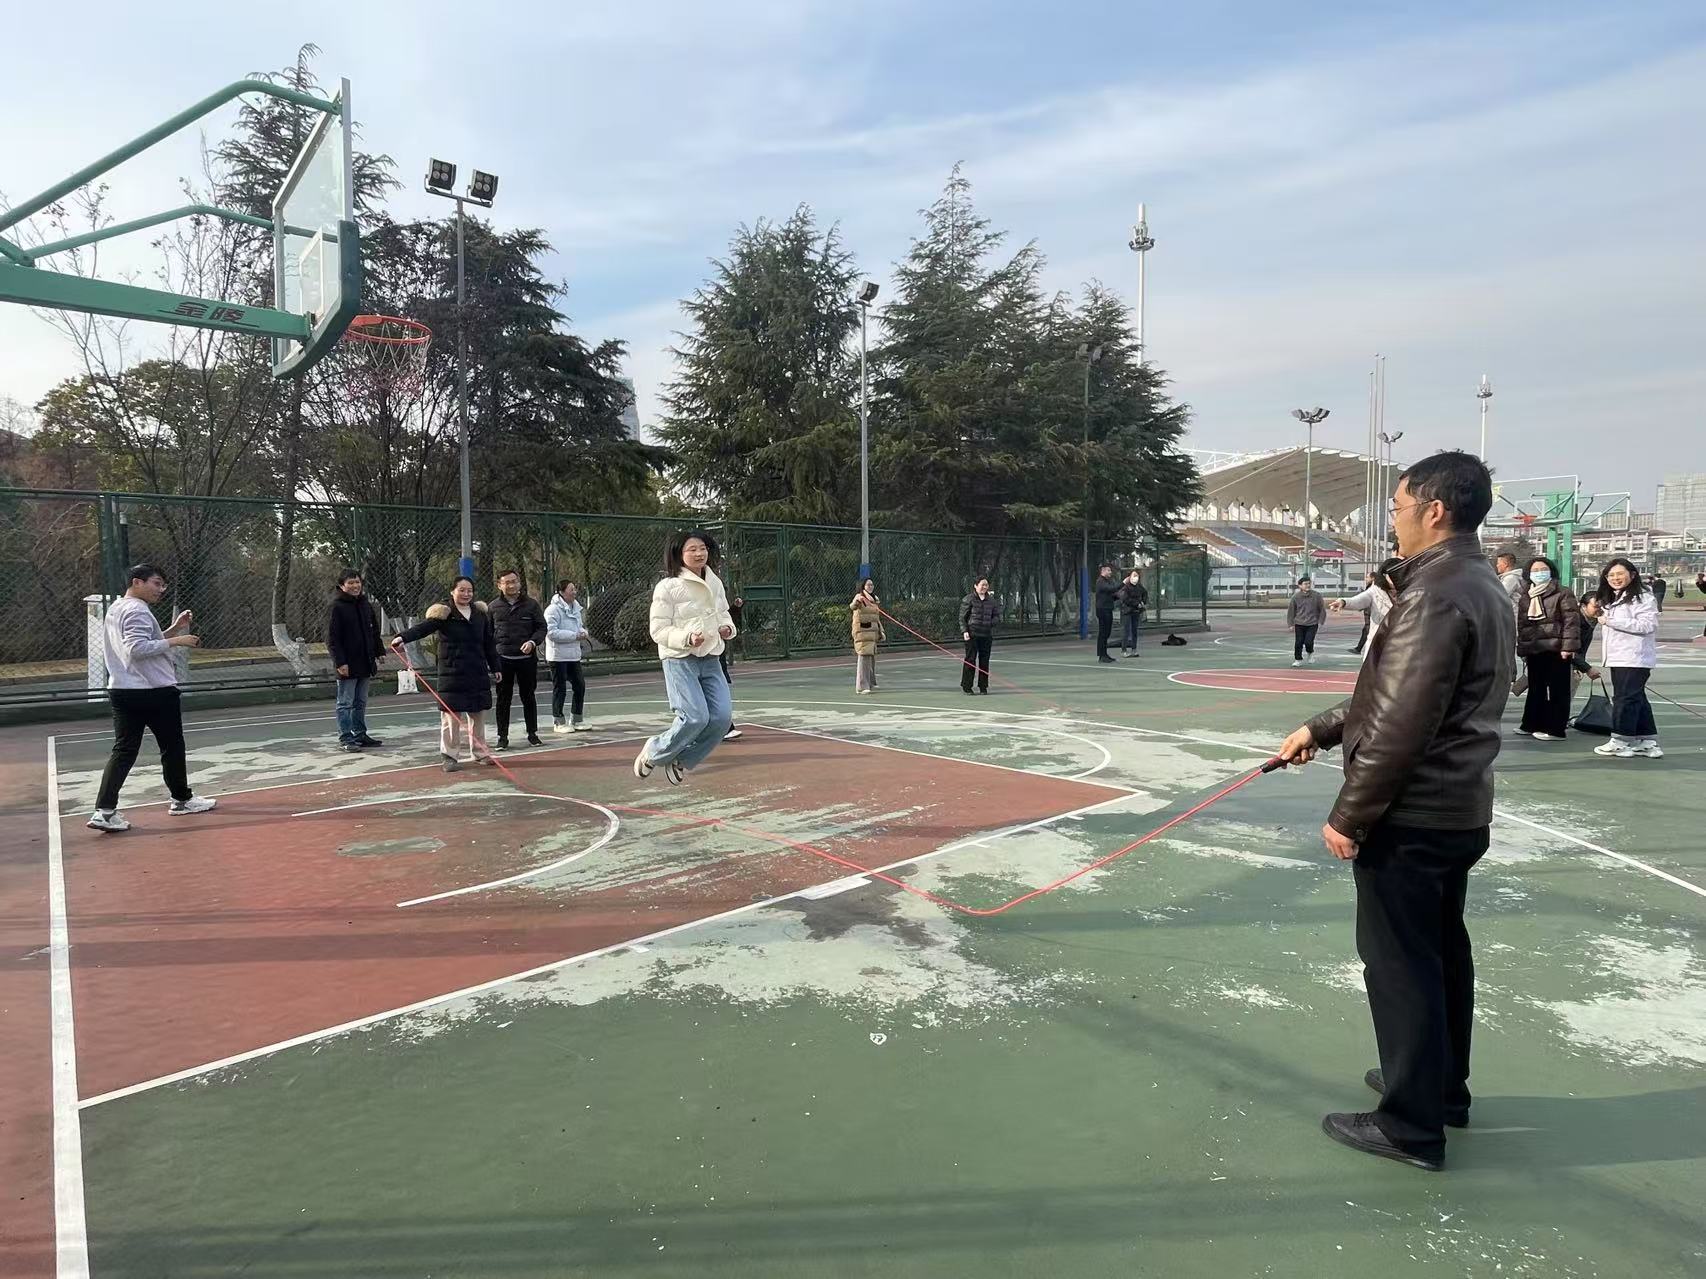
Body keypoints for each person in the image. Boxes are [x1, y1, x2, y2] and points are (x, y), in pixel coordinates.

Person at [1275, 449, 1513, 1172]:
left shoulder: (1435, 592)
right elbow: (1397, 697)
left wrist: (1350, 815)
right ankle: (1440, 1088)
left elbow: (1403, 722)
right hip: (1456, 809)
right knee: (1440, 952)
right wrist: (1321, 728)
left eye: (1400, 507)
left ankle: (1410, 1125)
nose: (1395, 519)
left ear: (1435, 510)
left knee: (1401, 963)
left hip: (1413, 815)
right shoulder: (1478, 581)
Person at [87, 564, 219, 832]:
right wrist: (178, 641)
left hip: (123, 689)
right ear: (137, 582)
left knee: (124, 750)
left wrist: (174, 629)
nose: (161, 589)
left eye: (163, 585)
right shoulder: (137, 610)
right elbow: (137, 649)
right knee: (172, 746)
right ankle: (181, 800)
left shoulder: (117, 608)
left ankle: (105, 811)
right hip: (153, 690)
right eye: (156, 583)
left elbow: (145, 641)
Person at [634, 529, 736, 785]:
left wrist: (727, 628)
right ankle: (654, 751)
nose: (699, 554)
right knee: (695, 717)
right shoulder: (667, 587)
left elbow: (723, 613)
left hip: (711, 658)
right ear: (679, 554)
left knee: (722, 719)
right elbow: (658, 630)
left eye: (703, 548)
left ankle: (681, 759)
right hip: (680, 659)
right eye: (692, 549)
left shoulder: (714, 581)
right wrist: (687, 638)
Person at [395, 576, 500, 772]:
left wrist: (496, 667)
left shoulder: (480, 615)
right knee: (451, 717)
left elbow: (488, 643)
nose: (466, 594)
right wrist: (403, 637)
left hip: (476, 672)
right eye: (462, 590)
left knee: (478, 714)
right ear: (452, 591)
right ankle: (450, 756)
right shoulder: (444, 613)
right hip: (452, 673)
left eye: (469, 590)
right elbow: (422, 628)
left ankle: (480, 752)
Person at [1592, 558, 1661, 759]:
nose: (1615, 578)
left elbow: (1647, 625)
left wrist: (1610, 621)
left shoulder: (1643, 597)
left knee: (1624, 699)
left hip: (1633, 657)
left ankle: (1621, 741)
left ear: (1632, 574)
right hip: (1620, 656)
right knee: (1636, 697)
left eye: (1620, 574)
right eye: (1611, 575)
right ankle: (1647, 741)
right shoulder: (1615, 598)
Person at [1515, 555, 1581, 741]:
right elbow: (1523, 625)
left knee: (1558, 689)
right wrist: (1523, 649)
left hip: (1556, 648)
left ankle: (1556, 729)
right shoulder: (1526, 595)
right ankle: (1531, 724)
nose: (1539, 573)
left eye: (1543, 570)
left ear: (1551, 572)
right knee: (1536, 688)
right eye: (1535, 571)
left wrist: (1568, 646)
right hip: (1535, 648)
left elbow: (1571, 621)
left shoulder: (1563, 592)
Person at [326, 568, 385, 753]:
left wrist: (379, 651)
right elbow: (332, 639)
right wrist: (340, 662)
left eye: (357, 582)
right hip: (347, 663)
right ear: (341, 585)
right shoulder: (336, 607)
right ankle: (346, 737)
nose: (355, 586)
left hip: (365, 661)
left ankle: (360, 734)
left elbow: (374, 630)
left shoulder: (365, 604)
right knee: (345, 703)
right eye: (350, 583)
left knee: (360, 702)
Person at [489, 570, 546, 749]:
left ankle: (532, 734)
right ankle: (502, 737)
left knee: (528, 696)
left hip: (526, 660)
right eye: (507, 582)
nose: (511, 585)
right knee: (503, 699)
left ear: (519, 583)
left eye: (514, 581)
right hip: (503, 660)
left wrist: (532, 642)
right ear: (499, 585)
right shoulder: (493, 607)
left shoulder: (531, 605)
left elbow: (541, 628)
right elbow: (487, 634)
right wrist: (492, 659)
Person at [1328, 561, 1398, 664]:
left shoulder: (1411, 591)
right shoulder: (1375, 591)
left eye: (1398, 574)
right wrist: (1343, 602)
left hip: (1401, 642)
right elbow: (1358, 600)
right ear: (1384, 576)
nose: (1395, 578)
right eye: (1391, 575)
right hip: (1378, 641)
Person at [544, 579, 589, 733]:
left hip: (573, 655)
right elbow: (552, 633)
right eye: (571, 589)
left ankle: (576, 719)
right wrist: (574, 635)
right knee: (560, 688)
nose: (574, 592)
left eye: (575, 589)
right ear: (562, 592)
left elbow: (579, 626)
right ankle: (558, 721)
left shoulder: (576, 607)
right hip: (558, 656)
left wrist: (583, 632)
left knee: (579, 686)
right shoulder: (552, 610)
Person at [960, 577, 1000, 695]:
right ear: (976, 586)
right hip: (972, 634)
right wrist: (965, 631)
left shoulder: (991, 601)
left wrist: (990, 623)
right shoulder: (968, 599)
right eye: (982, 585)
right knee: (970, 660)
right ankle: (967, 686)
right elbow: (962, 618)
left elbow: (997, 616)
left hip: (986, 635)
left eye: (986, 585)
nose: (984, 587)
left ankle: (983, 686)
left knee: (984, 661)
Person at [851, 581, 885, 693]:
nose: (870, 587)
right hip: (863, 632)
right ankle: (862, 687)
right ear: (863, 586)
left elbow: (876, 618)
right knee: (864, 657)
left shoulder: (874, 600)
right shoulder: (859, 597)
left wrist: (880, 631)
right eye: (868, 585)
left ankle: (870, 683)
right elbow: (853, 606)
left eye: (872, 585)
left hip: (872, 632)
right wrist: (858, 601)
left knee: (871, 658)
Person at [720, 592, 745, 741]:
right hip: (703, 660)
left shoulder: (717, 607)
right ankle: (726, 728)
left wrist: (735, 608)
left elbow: (727, 620)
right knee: (714, 696)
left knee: (719, 694)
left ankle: (725, 728)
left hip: (717, 659)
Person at [1285, 576, 1326, 666]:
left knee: (1308, 641)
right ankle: (1298, 659)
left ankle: (1310, 653)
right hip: (1299, 623)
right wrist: (1290, 624)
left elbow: (1322, 609)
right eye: (1305, 584)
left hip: (1312, 623)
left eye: (1309, 583)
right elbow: (1291, 611)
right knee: (1298, 642)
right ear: (1300, 586)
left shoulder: (1316, 596)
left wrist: (1321, 621)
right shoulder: (1295, 597)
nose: (1308, 585)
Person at [1118, 568, 1148, 657]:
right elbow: (1125, 599)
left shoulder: (1139, 586)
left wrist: (1143, 602)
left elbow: (1145, 593)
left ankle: (1134, 649)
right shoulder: (1126, 587)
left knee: (1134, 630)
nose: (1136, 578)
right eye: (1134, 576)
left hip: (1136, 611)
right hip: (1127, 611)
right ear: (1130, 577)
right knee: (1126, 631)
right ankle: (1124, 650)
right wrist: (1136, 604)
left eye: (1137, 576)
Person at [1093, 564, 1120, 663]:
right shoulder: (1100, 581)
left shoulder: (1107, 581)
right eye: (1108, 570)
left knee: (1107, 632)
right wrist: (1123, 583)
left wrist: (1118, 596)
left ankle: (1104, 654)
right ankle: (1101, 655)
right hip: (1102, 610)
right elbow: (1111, 589)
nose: (1110, 572)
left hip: (1108, 609)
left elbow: (1111, 594)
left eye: (1110, 570)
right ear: (1103, 571)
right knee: (1103, 632)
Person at [1347, 572, 1377, 654]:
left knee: (1369, 631)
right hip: (1369, 613)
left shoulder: (1373, 588)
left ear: (1373, 578)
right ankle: (1358, 649)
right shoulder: (1370, 587)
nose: (1365, 579)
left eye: (1367, 577)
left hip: (1371, 614)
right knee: (1366, 631)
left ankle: (1362, 649)